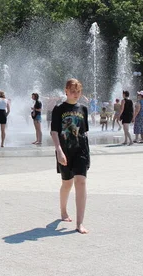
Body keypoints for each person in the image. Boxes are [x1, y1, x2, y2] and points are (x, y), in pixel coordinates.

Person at [50, 78, 90, 234]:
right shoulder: (59, 109)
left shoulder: (83, 109)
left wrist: (87, 153)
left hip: (81, 150)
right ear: (65, 90)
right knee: (67, 183)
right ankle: (63, 210)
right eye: (72, 91)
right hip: (65, 150)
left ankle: (80, 223)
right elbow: (54, 131)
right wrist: (59, 150)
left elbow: (84, 132)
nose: (76, 94)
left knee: (80, 181)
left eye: (78, 91)